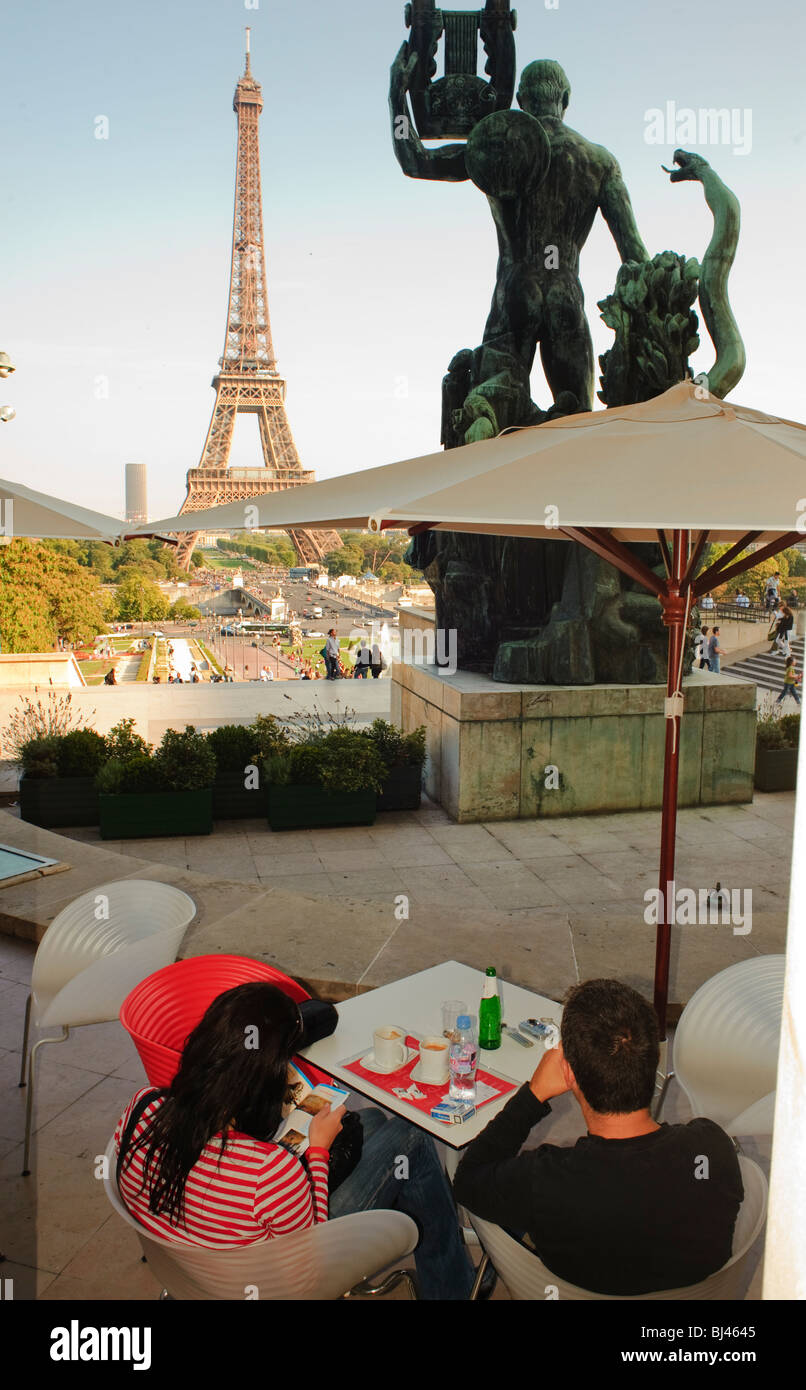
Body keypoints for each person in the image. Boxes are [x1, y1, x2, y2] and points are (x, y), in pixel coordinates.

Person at [113, 984, 475, 1301]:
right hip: (277, 1285)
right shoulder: (269, 1169)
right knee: (410, 1138)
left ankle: (443, 1262)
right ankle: (453, 1289)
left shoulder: (143, 1106)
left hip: (188, 1271)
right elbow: (310, 1267)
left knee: (371, 1122)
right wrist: (317, 1152)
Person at [452, 979, 743, 1296]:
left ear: (570, 1074)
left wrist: (533, 1096)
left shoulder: (544, 1181)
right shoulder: (712, 1149)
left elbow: (467, 1180)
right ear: (655, 1061)